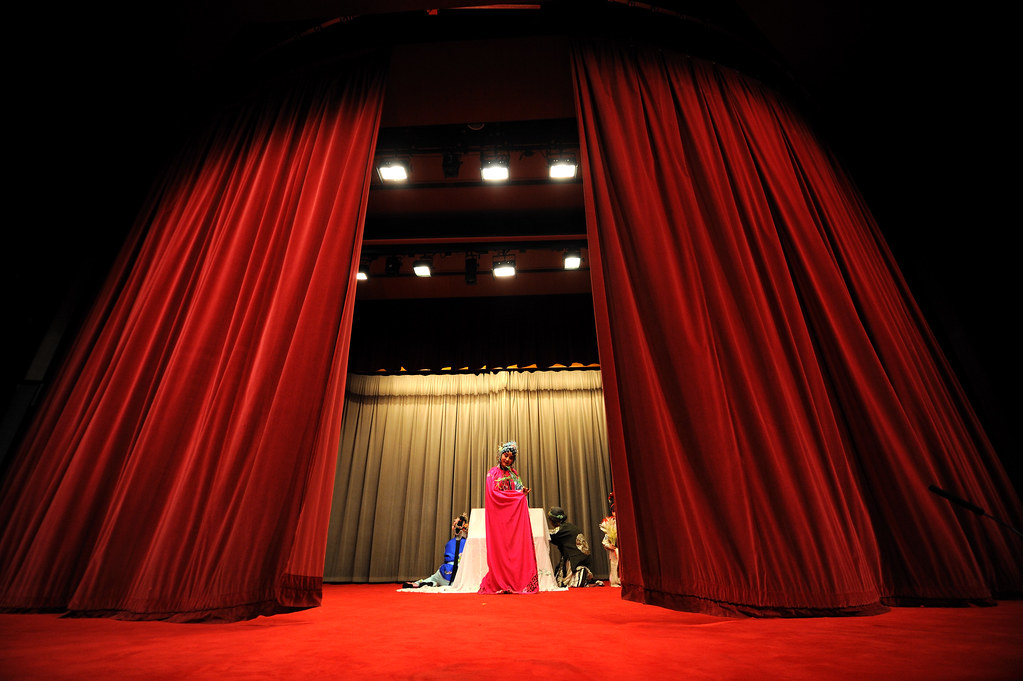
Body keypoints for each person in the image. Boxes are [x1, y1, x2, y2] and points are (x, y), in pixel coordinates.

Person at [478, 441, 539, 594]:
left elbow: (518, 491)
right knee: (500, 549)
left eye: (511, 458)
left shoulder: (514, 474)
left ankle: (515, 581)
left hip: (512, 519)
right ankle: (499, 580)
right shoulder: (492, 473)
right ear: (500, 456)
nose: (507, 460)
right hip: (498, 517)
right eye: (505, 455)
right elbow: (492, 494)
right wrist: (515, 495)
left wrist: (522, 491)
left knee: (513, 549)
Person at [402, 513, 469, 589]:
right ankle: (436, 583)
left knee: (433, 577)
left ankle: (420, 583)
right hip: (458, 575)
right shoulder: (468, 543)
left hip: (444, 572)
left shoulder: (449, 543)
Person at [547, 506, 600, 587]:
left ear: (552, 520)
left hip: (576, 559)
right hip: (580, 557)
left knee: (568, 582)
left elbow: (550, 534)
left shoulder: (563, 529)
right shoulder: (568, 527)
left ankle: (581, 572)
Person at [600, 492, 620, 587]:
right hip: (614, 549)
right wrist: (609, 545)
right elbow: (605, 539)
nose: (615, 513)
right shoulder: (610, 524)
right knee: (614, 563)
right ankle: (615, 580)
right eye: (614, 511)